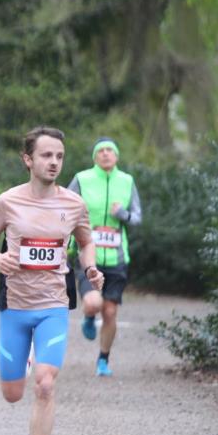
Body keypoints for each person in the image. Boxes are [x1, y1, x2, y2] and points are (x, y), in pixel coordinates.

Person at [0, 126, 102, 435]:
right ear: (28, 159)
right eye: (46, 155)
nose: (54, 162)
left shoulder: (73, 204)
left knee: (45, 384)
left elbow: (86, 240)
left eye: (59, 156)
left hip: (53, 306)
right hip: (15, 306)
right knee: (13, 393)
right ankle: (24, 360)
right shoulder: (8, 201)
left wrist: (90, 266)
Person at [67, 137, 142, 377]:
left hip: (117, 258)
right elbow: (65, 210)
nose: (106, 154)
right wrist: (68, 244)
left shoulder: (127, 181)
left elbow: (137, 218)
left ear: (117, 156)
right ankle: (89, 316)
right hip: (87, 254)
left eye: (111, 150)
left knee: (110, 312)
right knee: (93, 303)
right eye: (101, 150)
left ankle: (103, 359)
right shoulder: (82, 179)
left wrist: (123, 214)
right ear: (95, 156)